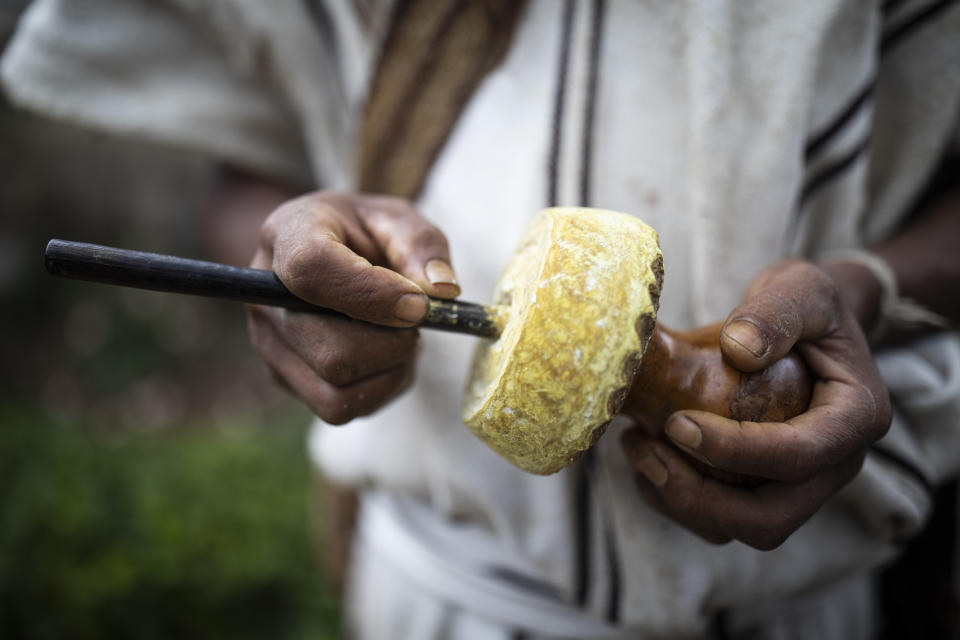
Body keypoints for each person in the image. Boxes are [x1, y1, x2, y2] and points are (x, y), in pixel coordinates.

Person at [4, 0, 960, 637]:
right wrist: (279, 254)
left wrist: (870, 283)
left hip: (804, 604)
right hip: (440, 596)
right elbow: (241, 155)